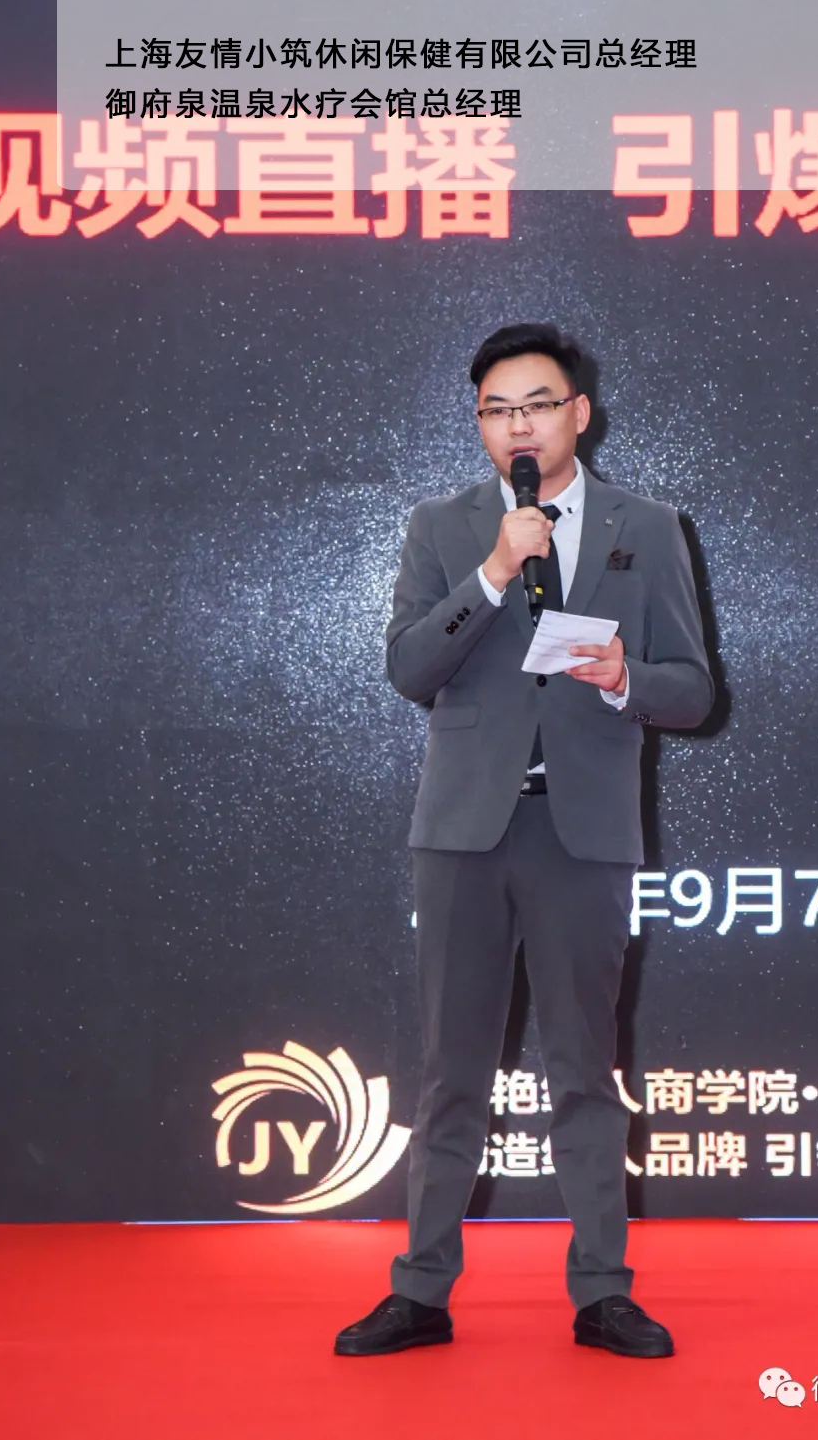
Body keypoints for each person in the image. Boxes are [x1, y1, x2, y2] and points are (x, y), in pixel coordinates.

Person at [335, 323, 712, 1360]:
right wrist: (495, 573)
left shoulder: (648, 527)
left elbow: (693, 691)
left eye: (538, 405)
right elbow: (410, 669)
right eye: (498, 411)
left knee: (585, 1069)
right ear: (481, 427)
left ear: (578, 414)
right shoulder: (443, 526)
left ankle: (603, 1292)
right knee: (450, 1071)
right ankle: (420, 1289)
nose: (520, 426)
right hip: (465, 833)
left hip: (581, 833)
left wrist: (626, 677)